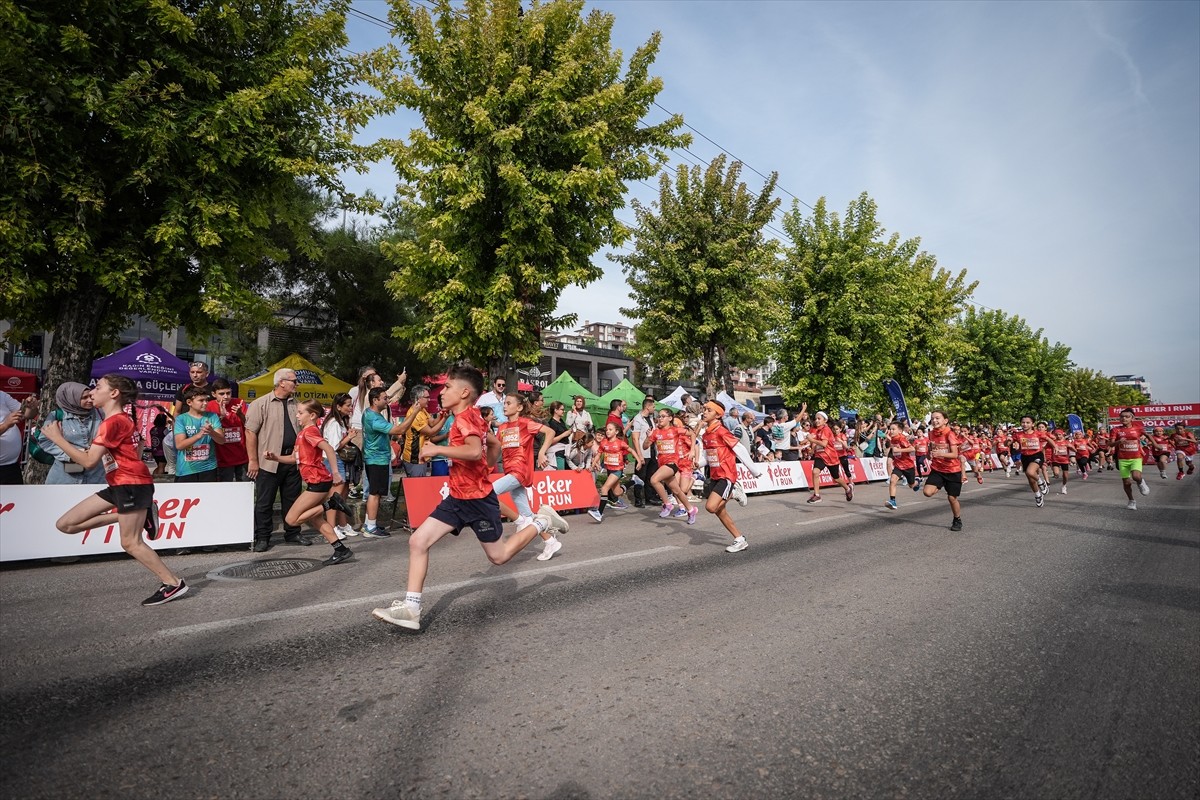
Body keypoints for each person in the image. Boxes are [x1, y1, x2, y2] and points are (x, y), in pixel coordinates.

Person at [371, 365, 570, 631]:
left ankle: (542, 521)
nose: (442, 392)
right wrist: (484, 470)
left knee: (498, 558)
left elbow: (475, 451)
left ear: (464, 392)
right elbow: (495, 447)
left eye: (448, 387)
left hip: (477, 500)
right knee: (418, 540)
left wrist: (436, 449)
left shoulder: (466, 419)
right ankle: (411, 608)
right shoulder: (473, 416)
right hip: (457, 497)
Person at [39, 374, 187, 606]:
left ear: (114, 393)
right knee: (66, 525)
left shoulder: (112, 422)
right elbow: (137, 448)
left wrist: (58, 438)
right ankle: (136, 514)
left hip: (131, 485)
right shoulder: (119, 420)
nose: (92, 392)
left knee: (130, 543)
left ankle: (173, 583)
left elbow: (89, 462)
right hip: (120, 484)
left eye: (97, 387)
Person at [264, 399, 354, 565]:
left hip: (318, 481)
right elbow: (294, 458)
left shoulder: (310, 432)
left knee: (291, 520)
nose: (297, 416)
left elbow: (328, 449)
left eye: (300, 413)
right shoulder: (302, 433)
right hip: (317, 481)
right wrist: (275, 457)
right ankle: (340, 550)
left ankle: (331, 504)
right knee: (315, 519)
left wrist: (335, 472)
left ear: (312, 415)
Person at [492, 393, 561, 560]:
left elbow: (550, 432)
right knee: (528, 516)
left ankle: (517, 520)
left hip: (520, 471)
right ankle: (551, 541)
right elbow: (494, 451)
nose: (505, 406)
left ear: (520, 407)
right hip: (509, 471)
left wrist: (542, 453)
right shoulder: (501, 428)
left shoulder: (526, 424)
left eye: (509, 403)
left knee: (487, 493)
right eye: (504, 403)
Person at [244, 368, 305, 552]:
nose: (296, 384)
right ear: (281, 382)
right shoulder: (260, 403)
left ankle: (293, 532)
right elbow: (250, 432)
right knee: (264, 501)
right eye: (293, 381)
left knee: (292, 499)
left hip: (291, 460)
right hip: (267, 461)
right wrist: (253, 460)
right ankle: (263, 537)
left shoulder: (297, 404)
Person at [699, 400, 765, 552]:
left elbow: (740, 449)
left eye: (709, 410)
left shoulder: (722, 431)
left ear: (718, 414)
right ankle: (739, 539)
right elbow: (708, 457)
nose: (705, 412)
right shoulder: (707, 434)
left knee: (711, 507)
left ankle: (734, 491)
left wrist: (754, 471)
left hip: (726, 475)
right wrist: (698, 464)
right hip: (715, 475)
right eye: (704, 409)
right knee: (719, 510)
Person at [361, 386, 425, 537]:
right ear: (375, 400)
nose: (387, 400)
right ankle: (370, 527)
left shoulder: (370, 413)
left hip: (376, 458)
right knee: (375, 493)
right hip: (376, 459)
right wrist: (415, 412)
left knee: (376, 492)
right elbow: (399, 430)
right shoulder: (374, 418)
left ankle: (369, 523)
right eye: (384, 398)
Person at [37, 383, 106, 485]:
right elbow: (45, 441)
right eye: (84, 398)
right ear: (72, 399)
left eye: (90, 396)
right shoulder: (56, 416)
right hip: (65, 478)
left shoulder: (101, 413)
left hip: (96, 476)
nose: (90, 400)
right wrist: (72, 455)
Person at [644, 408, 696, 522]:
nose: (660, 418)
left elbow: (692, 433)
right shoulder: (656, 432)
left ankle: (667, 504)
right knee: (677, 491)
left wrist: (692, 450)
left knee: (654, 480)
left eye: (663, 416)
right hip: (662, 464)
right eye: (659, 416)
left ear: (670, 418)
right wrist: (649, 436)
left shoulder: (676, 430)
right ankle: (691, 509)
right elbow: (645, 446)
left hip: (672, 463)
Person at [587, 421, 643, 523]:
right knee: (617, 492)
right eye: (607, 430)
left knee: (604, 488)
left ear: (616, 431)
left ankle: (599, 513)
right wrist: (593, 464)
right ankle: (634, 481)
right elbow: (598, 454)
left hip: (617, 470)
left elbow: (632, 451)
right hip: (609, 469)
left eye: (610, 430)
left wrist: (638, 461)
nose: (607, 432)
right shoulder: (604, 443)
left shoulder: (620, 443)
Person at [921, 410, 964, 531]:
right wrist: (929, 454)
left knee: (952, 498)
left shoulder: (949, 434)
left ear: (945, 420)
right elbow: (930, 451)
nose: (934, 420)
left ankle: (957, 519)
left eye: (937, 418)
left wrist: (941, 453)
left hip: (952, 470)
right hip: (938, 469)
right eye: (932, 418)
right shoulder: (931, 434)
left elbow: (955, 454)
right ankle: (940, 484)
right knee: (927, 492)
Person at [322, 393, 357, 540]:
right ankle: (331, 528)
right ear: (338, 406)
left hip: (341, 460)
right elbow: (334, 446)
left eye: (351, 405)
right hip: (333, 459)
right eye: (348, 405)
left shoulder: (341, 421)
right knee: (335, 495)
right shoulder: (334, 423)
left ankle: (342, 524)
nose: (350, 408)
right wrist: (348, 437)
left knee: (342, 494)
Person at [173, 385, 224, 483]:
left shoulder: (212, 416)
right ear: (189, 402)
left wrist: (211, 432)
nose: (205, 403)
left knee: (208, 498)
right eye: (201, 400)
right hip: (186, 470)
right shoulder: (181, 419)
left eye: (206, 400)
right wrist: (198, 435)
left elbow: (221, 441)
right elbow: (179, 445)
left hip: (209, 469)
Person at [204, 378, 249, 482]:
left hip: (242, 457)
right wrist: (221, 417)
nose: (226, 396)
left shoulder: (239, 402)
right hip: (221, 459)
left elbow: (250, 426)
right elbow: (207, 430)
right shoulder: (209, 406)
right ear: (214, 394)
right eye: (222, 393)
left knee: (245, 490)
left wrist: (240, 414)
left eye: (228, 393)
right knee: (225, 492)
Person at [805, 411, 854, 504]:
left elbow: (824, 443)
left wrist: (811, 440)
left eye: (819, 419)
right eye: (816, 419)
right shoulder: (815, 430)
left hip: (830, 456)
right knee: (815, 472)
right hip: (820, 455)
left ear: (825, 420)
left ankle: (848, 489)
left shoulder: (826, 430)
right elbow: (815, 441)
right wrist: (812, 449)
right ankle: (817, 495)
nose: (816, 420)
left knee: (836, 478)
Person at [1110, 408, 1150, 509]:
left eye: (1127, 417)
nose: (1124, 418)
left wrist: (1155, 444)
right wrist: (1118, 442)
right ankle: (1131, 501)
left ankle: (1141, 482)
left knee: (1136, 476)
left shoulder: (1138, 428)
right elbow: (1110, 443)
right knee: (1127, 482)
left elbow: (1148, 435)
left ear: (1132, 418)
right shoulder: (1115, 430)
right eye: (1122, 416)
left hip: (1136, 457)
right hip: (1122, 459)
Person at [1013, 416, 1052, 508]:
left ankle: (1041, 482)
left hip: (1037, 455)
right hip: (1025, 456)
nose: (1025, 424)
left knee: (1030, 472)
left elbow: (1048, 439)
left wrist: (1055, 447)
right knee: (1031, 479)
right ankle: (1038, 495)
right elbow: (1011, 443)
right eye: (1023, 422)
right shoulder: (1018, 434)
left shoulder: (1037, 433)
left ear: (1032, 424)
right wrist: (1010, 442)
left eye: (1027, 422)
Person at [629, 396, 658, 507]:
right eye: (653, 406)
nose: (654, 409)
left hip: (652, 451)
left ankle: (649, 497)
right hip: (643, 452)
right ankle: (638, 499)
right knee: (640, 476)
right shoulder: (638, 419)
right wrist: (639, 455)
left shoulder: (650, 418)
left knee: (650, 476)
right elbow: (635, 438)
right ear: (648, 407)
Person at [0, 390, 33, 485]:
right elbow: (7, 423)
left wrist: (31, 407)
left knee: (16, 498)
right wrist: (6, 425)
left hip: (12, 467)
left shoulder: (1, 395)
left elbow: (26, 414)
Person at [883, 421, 917, 510]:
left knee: (912, 486)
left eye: (893, 429)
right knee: (892, 480)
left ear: (900, 431)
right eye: (890, 429)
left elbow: (912, 448)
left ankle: (917, 481)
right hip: (898, 465)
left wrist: (899, 450)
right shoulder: (893, 439)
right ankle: (892, 501)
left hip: (908, 466)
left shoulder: (902, 438)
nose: (891, 431)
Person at [149, 413, 169, 477]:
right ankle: (160, 480)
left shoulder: (152, 429)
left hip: (154, 451)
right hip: (163, 452)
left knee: (159, 466)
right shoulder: (165, 430)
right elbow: (169, 438)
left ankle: (153, 479)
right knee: (161, 467)